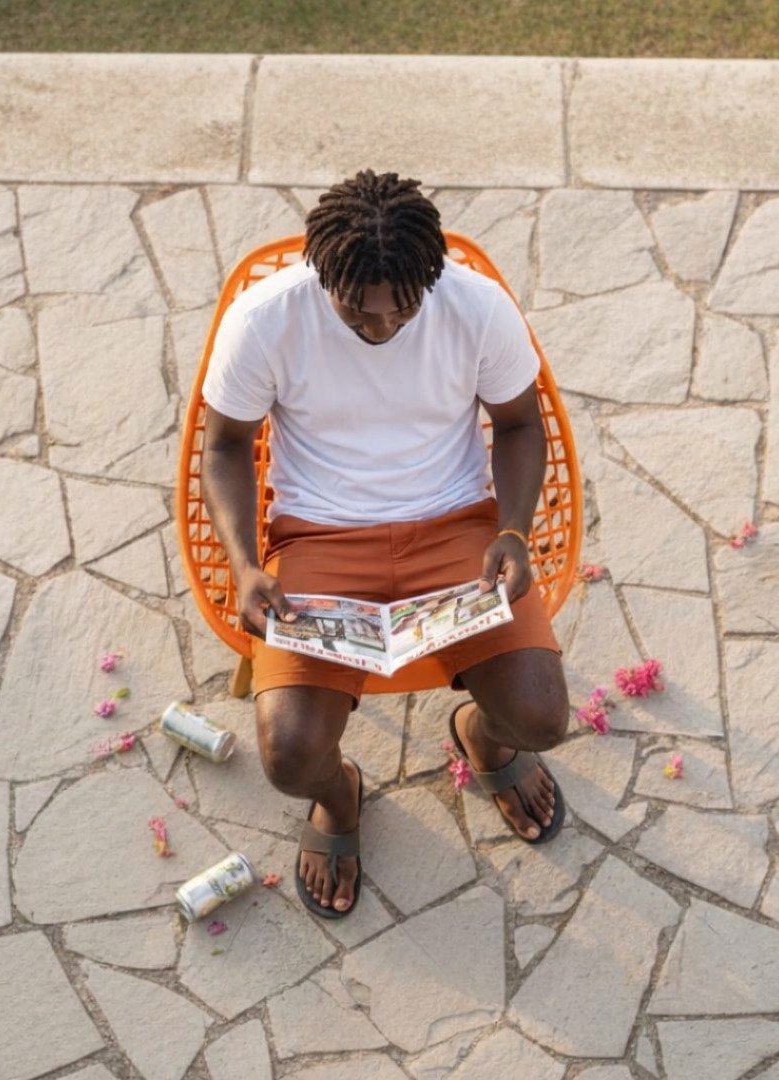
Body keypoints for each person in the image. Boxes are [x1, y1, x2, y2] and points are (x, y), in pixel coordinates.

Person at [200, 170, 570, 919]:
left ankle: (484, 737)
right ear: (322, 273)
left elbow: (521, 425)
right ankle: (340, 796)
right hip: (318, 535)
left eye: (402, 307)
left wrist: (512, 530)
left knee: (542, 720)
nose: (380, 328)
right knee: (289, 758)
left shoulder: (476, 307)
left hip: (459, 525)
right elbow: (226, 447)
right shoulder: (265, 319)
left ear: (429, 276)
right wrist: (244, 564)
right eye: (356, 310)